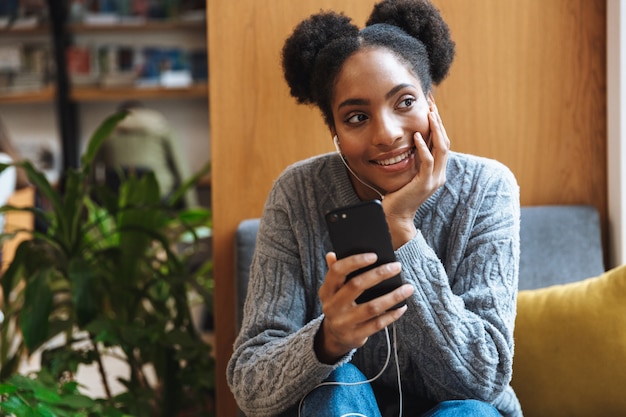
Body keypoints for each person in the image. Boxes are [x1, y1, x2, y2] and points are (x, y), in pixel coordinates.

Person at [227, 0, 522, 416]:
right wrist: (329, 340)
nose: (386, 134)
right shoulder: (297, 193)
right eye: (357, 117)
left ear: (430, 104)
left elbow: (481, 381)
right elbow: (251, 385)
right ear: (333, 130)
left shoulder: (487, 189)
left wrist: (399, 227)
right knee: (338, 384)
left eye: (404, 102)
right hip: (341, 406)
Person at [93, 101, 198, 209]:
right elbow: (181, 169)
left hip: (118, 197)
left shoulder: (105, 135)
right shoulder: (163, 131)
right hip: (159, 196)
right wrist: (192, 209)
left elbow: (93, 171)